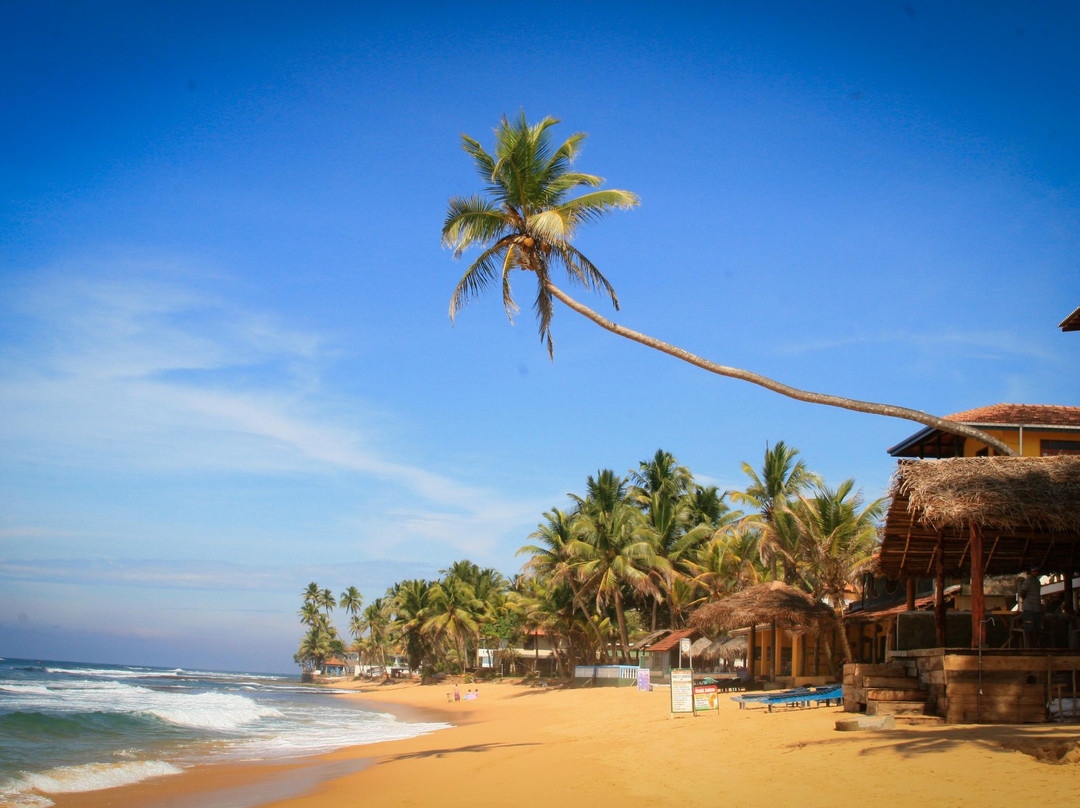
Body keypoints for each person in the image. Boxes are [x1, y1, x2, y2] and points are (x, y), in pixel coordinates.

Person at [1020, 566, 1043, 647]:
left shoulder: (1037, 581)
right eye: (1034, 571)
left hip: (1036, 608)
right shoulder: (1028, 581)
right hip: (1029, 608)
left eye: (1036, 571)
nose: (1036, 572)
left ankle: (1035, 645)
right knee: (1029, 627)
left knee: (1036, 628)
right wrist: (1026, 600)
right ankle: (1030, 645)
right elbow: (1023, 592)